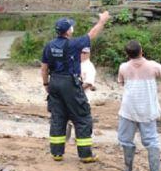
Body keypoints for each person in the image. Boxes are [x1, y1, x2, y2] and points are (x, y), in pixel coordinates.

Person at [41, 12, 111, 162]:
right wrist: (102, 21)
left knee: (58, 117)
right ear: (68, 31)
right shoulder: (73, 44)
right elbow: (91, 35)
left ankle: (57, 153)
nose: (73, 29)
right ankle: (85, 155)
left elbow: (44, 67)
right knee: (82, 116)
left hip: (54, 82)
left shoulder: (49, 45)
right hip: (69, 83)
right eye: (71, 27)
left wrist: (46, 83)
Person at [116, 39, 161, 171]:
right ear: (141, 51)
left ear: (127, 54)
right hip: (148, 109)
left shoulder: (123, 67)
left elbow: (120, 82)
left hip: (128, 109)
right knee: (152, 141)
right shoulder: (152, 66)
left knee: (126, 140)